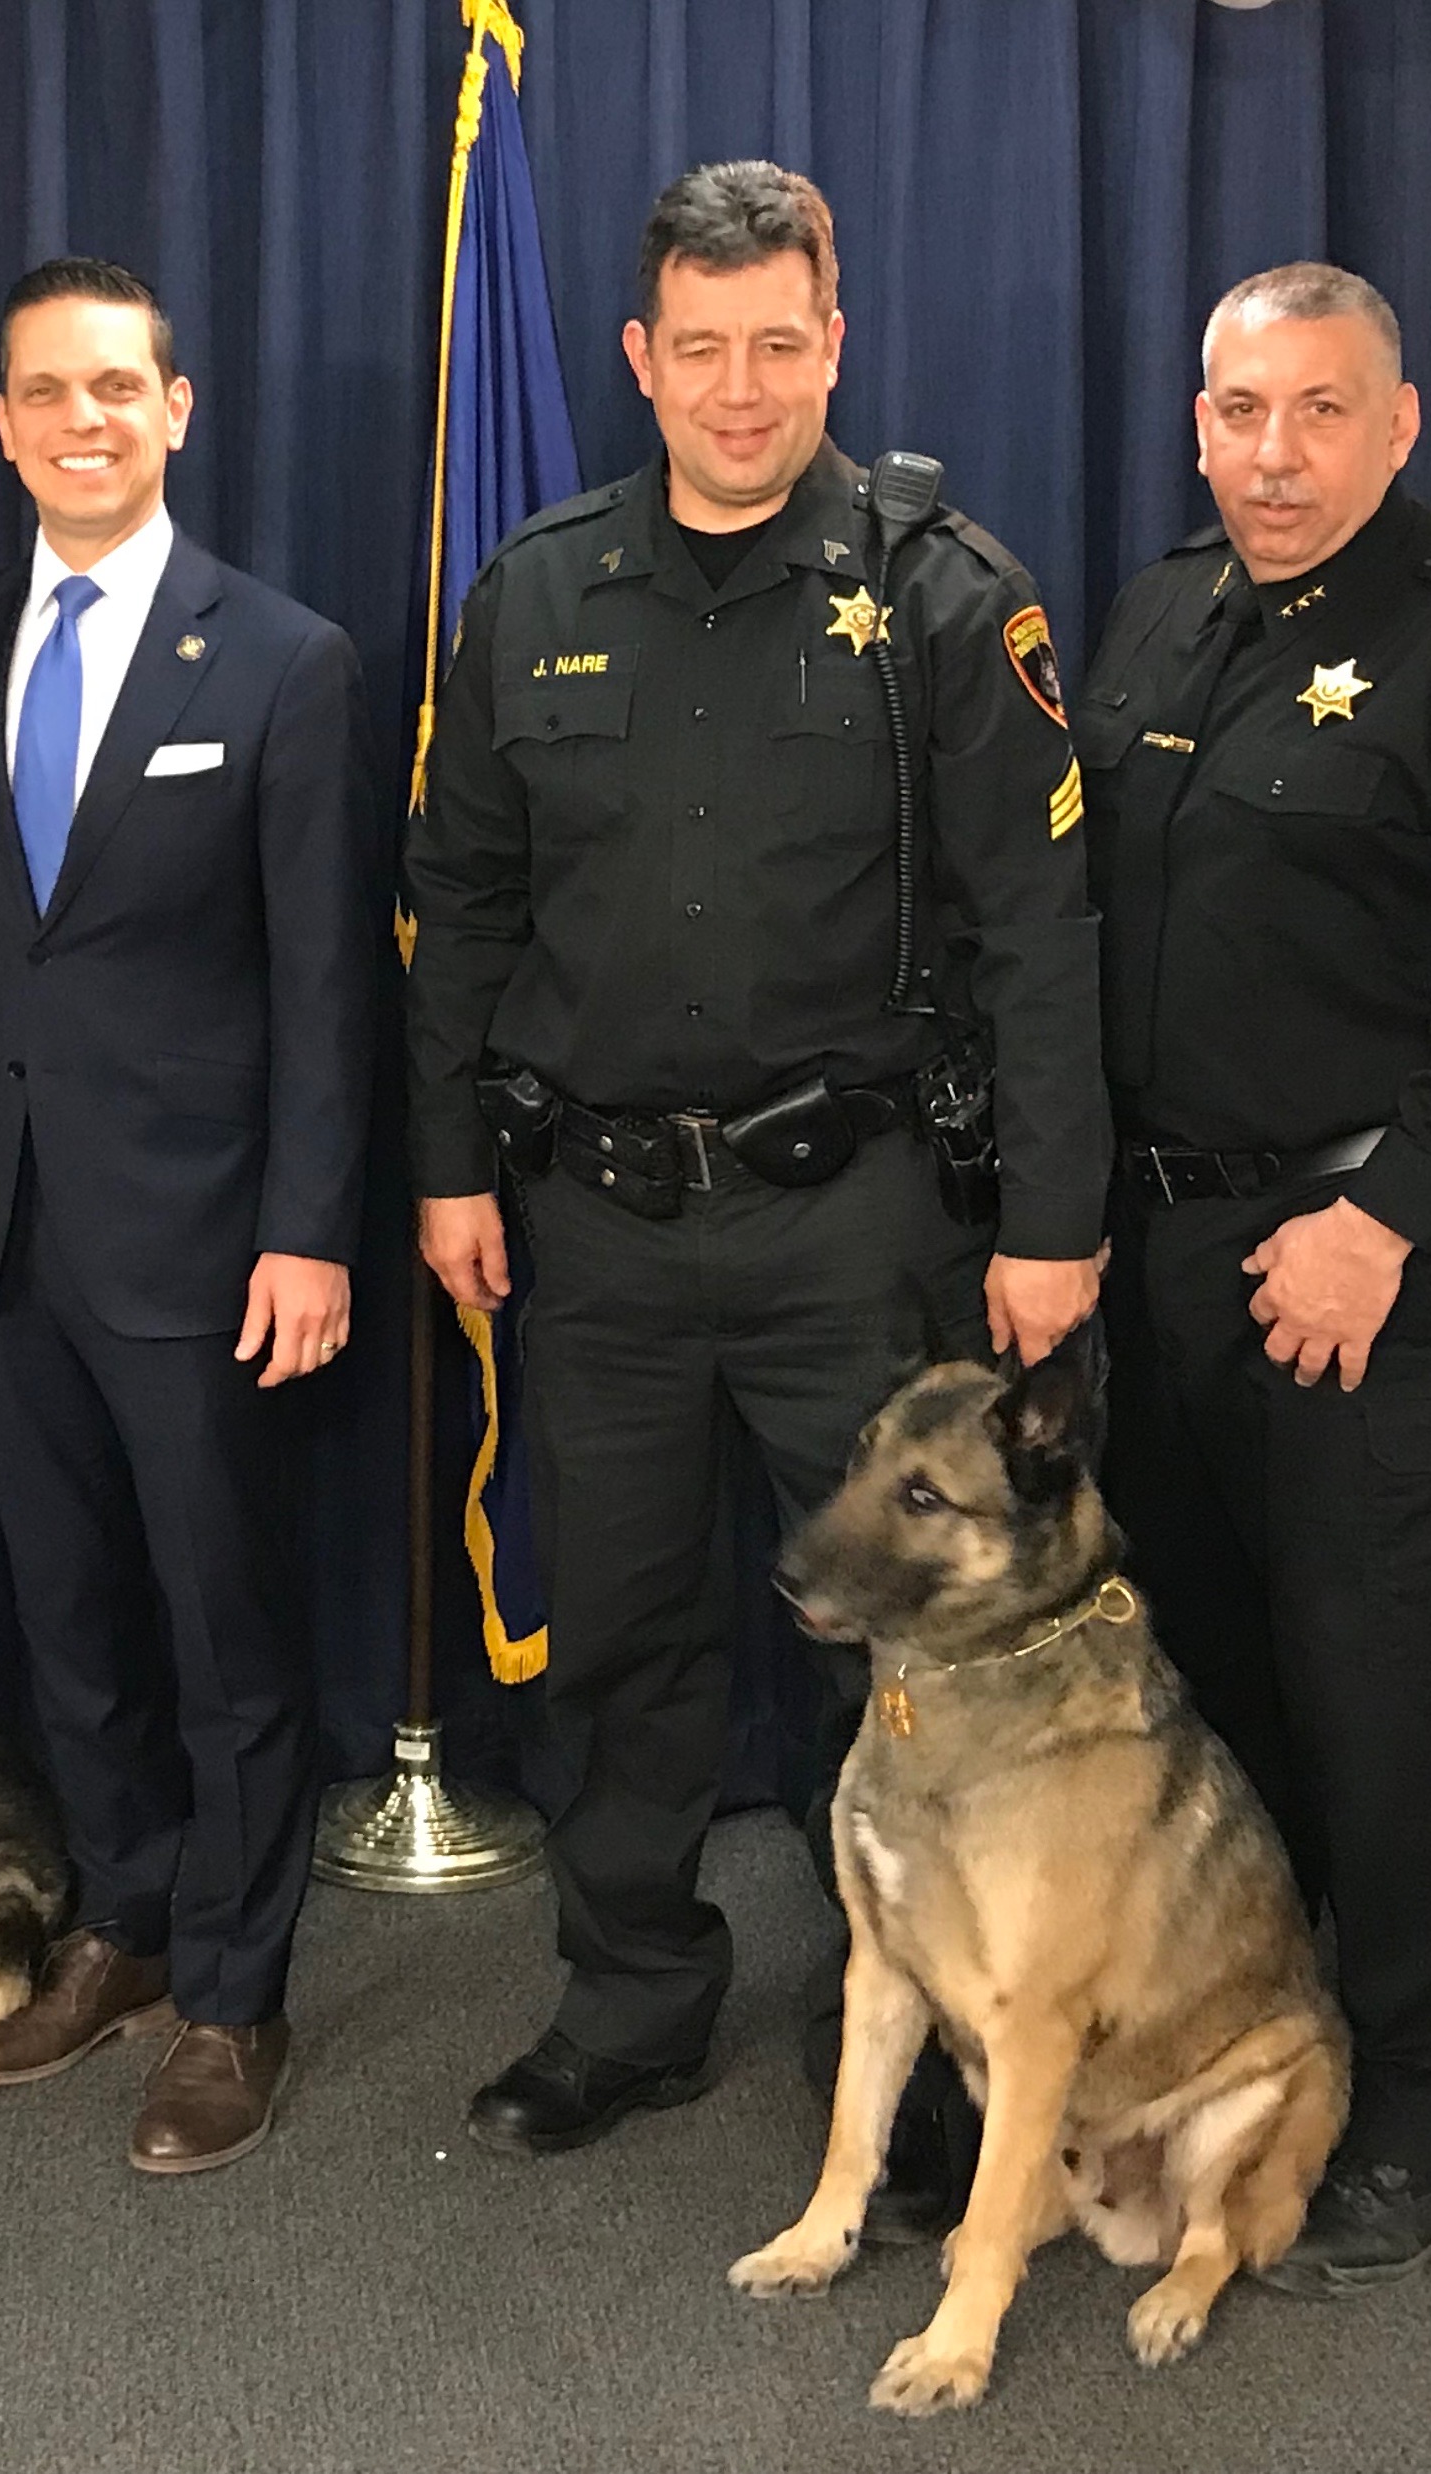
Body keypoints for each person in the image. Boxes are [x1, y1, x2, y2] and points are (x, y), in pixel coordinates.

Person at [403, 163, 1108, 2193]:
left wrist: (1052, 1222)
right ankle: (629, 1998)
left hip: (852, 1223)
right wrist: (447, 1168)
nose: (738, 390)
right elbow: (459, 903)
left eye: (776, 346)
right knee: (621, 1634)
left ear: (833, 344)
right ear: (639, 357)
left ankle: (930, 2037)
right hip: (598, 1225)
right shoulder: (535, 592)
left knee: (906, 1655)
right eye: (699, 349)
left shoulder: (944, 595)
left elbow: (1038, 929)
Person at [1082, 262, 1431, 2288]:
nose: (1276, 453)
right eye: (1242, 411)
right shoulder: (1163, 615)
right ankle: (1259, 2023)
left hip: (1379, 1266)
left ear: (1398, 425)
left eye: (1322, 411)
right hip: (1175, 1254)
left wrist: (1385, 1214)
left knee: (1385, 1687)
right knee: (1218, 1670)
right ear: (1199, 425)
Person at [0, 256, 378, 2174]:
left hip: (205, 1240)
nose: (85, 420)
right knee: (67, 1619)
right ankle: (130, 1919)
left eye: (117, 388)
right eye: (48, 392)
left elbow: (327, 982)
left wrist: (311, 1228)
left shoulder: (285, 659)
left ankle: (234, 1990)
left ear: (176, 410)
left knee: (224, 1633)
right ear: (2, 426)